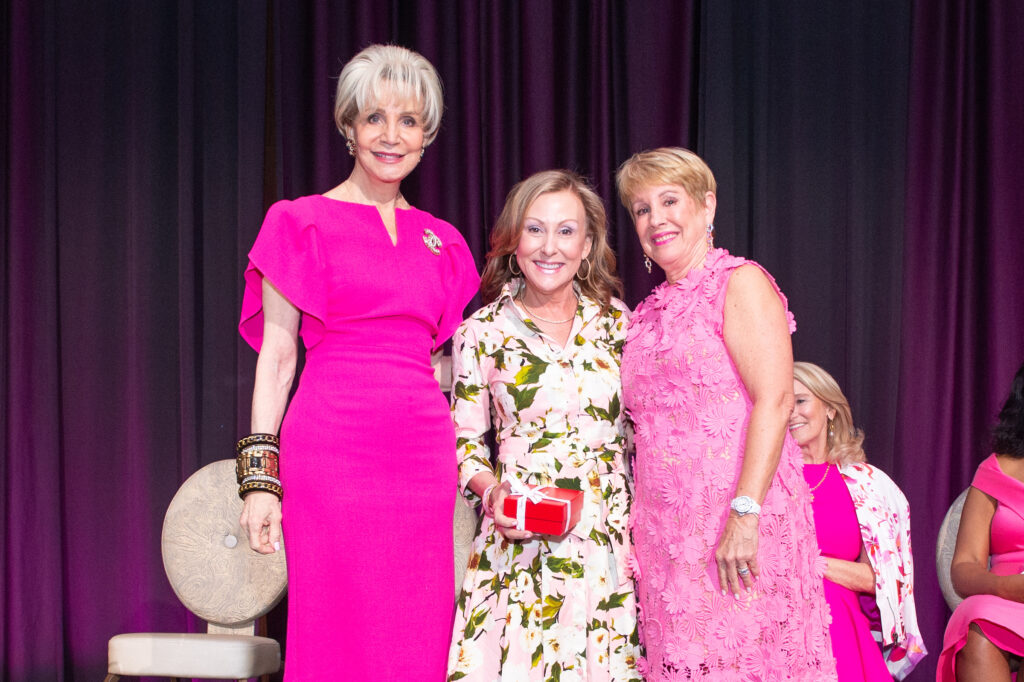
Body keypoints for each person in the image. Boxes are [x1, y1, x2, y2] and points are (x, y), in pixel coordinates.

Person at [235, 44, 479, 679]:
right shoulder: (300, 223)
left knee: (419, 627)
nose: (391, 137)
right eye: (374, 118)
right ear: (348, 127)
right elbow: (279, 355)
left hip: (423, 455)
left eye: (408, 121)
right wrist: (260, 480)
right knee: (335, 622)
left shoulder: (443, 241)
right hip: (332, 449)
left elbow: (448, 361)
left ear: (427, 135)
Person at [616, 147, 836, 680]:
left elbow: (777, 400)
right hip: (668, 535)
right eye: (642, 209)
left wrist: (744, 514)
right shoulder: (645, 314)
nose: (656, 219)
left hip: (737, 519)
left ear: (707, 206)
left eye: (670, 201)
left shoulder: (739, 282)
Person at [447, 170, 642, 681]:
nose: (549, 246)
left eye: (565, 231)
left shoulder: (621, 325)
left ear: (588, 245)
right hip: (521, 546)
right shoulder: (480, 331)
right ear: (514, 242)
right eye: (535, 229)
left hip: (609, 545)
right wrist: (493, 497)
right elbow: (464, 443)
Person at [791, 361, 927, 680]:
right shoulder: (761, 482)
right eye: (782, 404)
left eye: (800, 401)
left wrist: (808, 564)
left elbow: (877, 578)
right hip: (769, 616)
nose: (790, 413)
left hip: (836, 619)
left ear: (830, 409)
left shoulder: (867, 485)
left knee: (828, 599)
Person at [937, 362, 1024, 681]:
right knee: (977, 625)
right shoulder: (994, 470)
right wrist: (1007, 587)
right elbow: (964, 567)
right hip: (1001, 598)